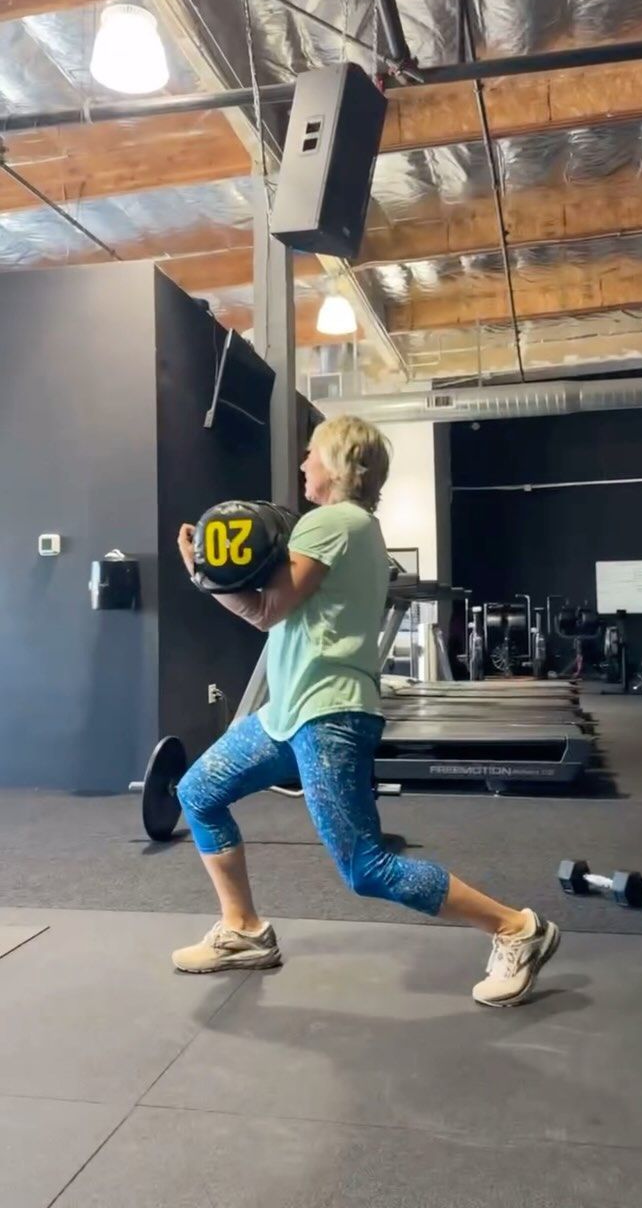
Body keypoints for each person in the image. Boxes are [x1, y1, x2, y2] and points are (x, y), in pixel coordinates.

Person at [172, 415, 559, 1007]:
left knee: (366, 867)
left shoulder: (333, 522)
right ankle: (243, 930)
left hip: (327, 717)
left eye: (311, 454)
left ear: (337, 463)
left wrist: (202, 573)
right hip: (289, 715)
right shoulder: (355, 527)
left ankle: (517, 929)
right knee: (199, 791)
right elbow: (275, 608)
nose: (303, 463)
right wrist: (213, 573)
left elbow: (266, 611)